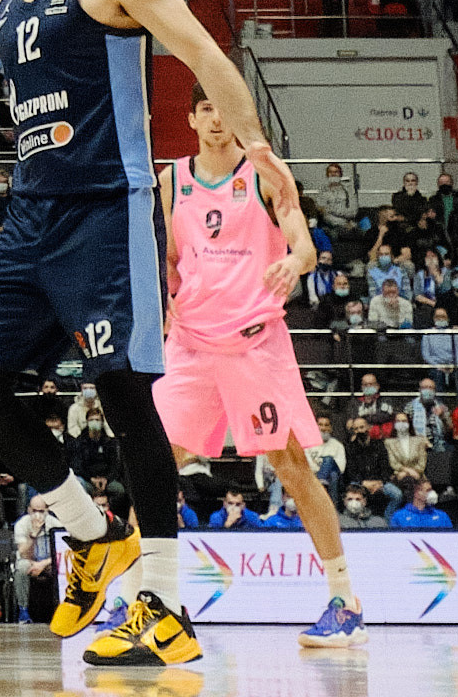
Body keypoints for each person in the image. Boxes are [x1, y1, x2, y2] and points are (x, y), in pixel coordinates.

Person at [0, 0, 277, 672]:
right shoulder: (5, 7)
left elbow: (201, 51)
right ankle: (92, 535)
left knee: (125, 394)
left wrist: (256, 149)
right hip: (30, 215)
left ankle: (163, 609)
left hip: (106, 208)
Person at [154, 82, 365, 648]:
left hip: (254, 342)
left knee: (292, 467)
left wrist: (294, 264)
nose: (216, 119)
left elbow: (304, 246)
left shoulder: (266, 172)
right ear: (192, 119)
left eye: (224, 109)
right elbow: (168, 258)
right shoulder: (171, 180)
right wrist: (163, 298)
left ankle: (344, 601)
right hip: (192, 343)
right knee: (155, 465)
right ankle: (143, 598)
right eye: (205, 109)